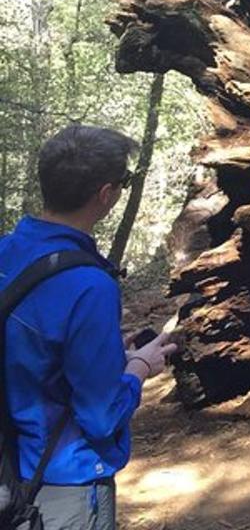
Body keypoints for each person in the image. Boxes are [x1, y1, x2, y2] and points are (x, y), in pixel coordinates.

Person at [0, 125, 178, 530]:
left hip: (7, 470)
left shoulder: (6, 253)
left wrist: (108, 350)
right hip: (63, 485)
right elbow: (100, 416)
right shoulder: (89, 286)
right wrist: (138, 368)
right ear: (106, 194)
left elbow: (29, 344)